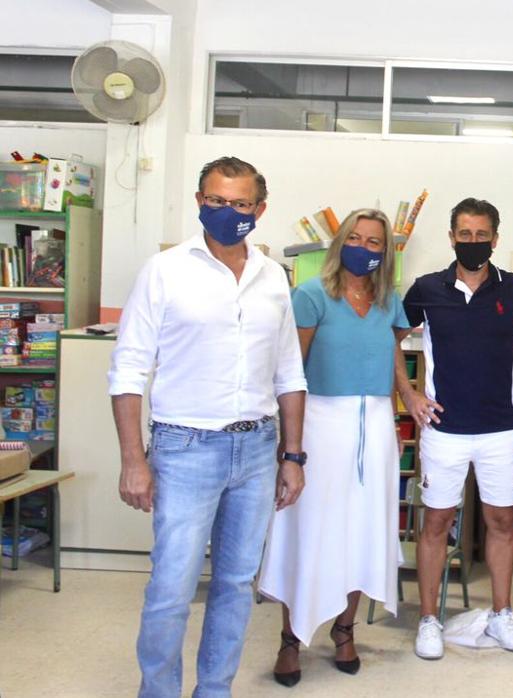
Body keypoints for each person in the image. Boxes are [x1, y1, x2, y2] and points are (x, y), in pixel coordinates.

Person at [108, 156, 307, 697]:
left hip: (257, 447)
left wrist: (292, 456)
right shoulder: (165, 271)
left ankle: (213, 690)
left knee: (237, 585)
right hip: (184, 447)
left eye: (240, 204)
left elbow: (289, 372)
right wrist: (133, 461)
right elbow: (127, 371)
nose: (227, 213)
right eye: (216, 201)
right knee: (172, 589)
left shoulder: (273, 278)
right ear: (200, 202)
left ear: (259, 210)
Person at [258, 209, 440, 685]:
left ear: (386, 252)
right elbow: (289, 372)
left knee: (364, 530)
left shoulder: (387, 300)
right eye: (355, 238)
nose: (365, 247)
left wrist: (409, 393)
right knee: (310, 530)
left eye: (374, 241)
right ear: (340, 243)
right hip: (321, 422)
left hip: (376, 425)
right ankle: (291, 639)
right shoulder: (312, 295)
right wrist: (288, 448)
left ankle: (344, 630)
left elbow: (392, 350)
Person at [403, 197, 513, 659]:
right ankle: (428, 620)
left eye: (482, 235)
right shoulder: (426, 288)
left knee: (501, 521)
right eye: (465, 235)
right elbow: (387, 340)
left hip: (500, 429)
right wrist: (410, 395)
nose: (473, 242)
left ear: (495, 240)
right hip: (445, 429)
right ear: (452, 238)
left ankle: (503, 614)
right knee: (436, 523)